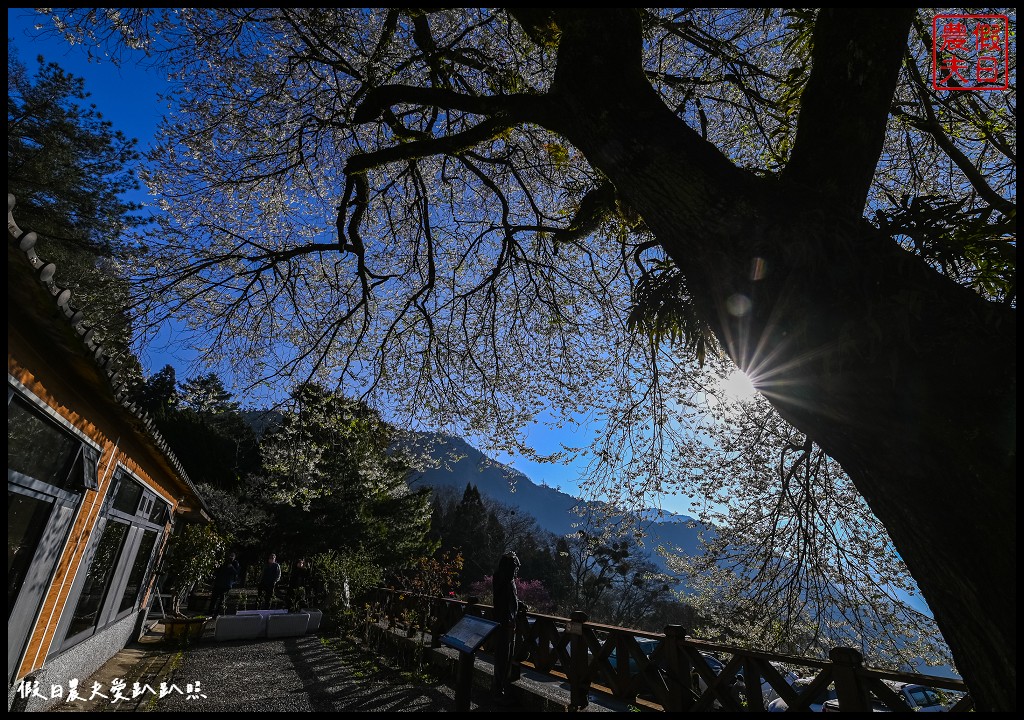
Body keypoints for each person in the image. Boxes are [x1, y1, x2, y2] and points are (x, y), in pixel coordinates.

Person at [491, 551, 520, 702]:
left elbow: (510, 598)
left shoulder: (506, 579)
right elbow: (503, 595)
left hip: (509, 622)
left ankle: (501, 688)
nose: (516, 570)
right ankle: (498, 691)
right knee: (502, 657)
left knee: (507, 658)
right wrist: (508, 557)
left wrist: (519, 605)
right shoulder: (502, 576)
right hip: (504, 622)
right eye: (515, 566)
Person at [209, 551, 240, 617]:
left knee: (221, 600)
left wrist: (231, 567)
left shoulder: (235, 563)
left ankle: (216, 613)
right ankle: (210, 611)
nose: (230, 558)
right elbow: (218, 571)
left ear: (234, 557)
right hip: (219, 582)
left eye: (232, 556)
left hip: (226, 584)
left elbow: (236, 573)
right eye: (229, 556)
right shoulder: (224, 562)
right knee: (214, 598)